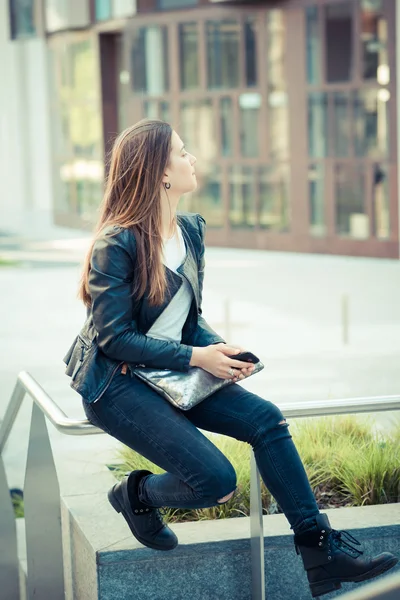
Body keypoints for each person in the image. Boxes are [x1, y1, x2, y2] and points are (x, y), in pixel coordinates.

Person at [64, 119, 398, 598]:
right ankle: (136, 494)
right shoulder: (115, 244)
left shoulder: (190, 232)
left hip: (169, 370)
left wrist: (218, 348)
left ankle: (321, 549)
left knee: (266, 420)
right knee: (216, 481)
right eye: (182, 153)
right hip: (116, 385)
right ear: (159, 172)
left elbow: (184, 317)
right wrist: (198, 355)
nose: (192, 159)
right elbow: (115, 338)